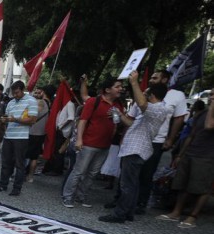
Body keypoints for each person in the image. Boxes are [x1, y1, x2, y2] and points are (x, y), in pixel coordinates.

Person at [99, 73, 170, 224]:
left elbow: (143, 104)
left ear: (151, 96)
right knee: (132, 184)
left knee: (127, 185)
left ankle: (120, 214)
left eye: (145, 93)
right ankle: (128, 212)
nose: (142, 96)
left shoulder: (159, 109)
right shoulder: (150, 110)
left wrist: (134, 82)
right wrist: (118, 114)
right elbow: (130, 123)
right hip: (132, 149)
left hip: (136, 150)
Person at [62, 77, 125, 208]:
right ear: (107, 89)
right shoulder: (93, 101)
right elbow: (83, 121)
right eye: (117, 86)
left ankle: (82, 196)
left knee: (92, 173)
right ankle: (68, 197)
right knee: (79, 171)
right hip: (88, 143)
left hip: (105, 145)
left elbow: (117, 123)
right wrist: (79, 139)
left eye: (121, 87)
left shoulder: (119, 105)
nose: (121, 89)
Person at [133, 70, 189, 213]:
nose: (151, 80)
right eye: (151, 77)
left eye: (155, 78)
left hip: (156, 141)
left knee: (147, 173)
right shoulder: (145, 92)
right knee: (130, 170)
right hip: (137, 138)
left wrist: (170, 138)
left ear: (165, 80)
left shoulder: (177, 95)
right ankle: (121, 199)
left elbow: (179, 118)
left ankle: (140, 203)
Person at [156, 91, 214, 228]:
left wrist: (212, 107)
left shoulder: (209, 113)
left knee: (202, 188)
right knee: (182, 184)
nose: (211, 97)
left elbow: (209, 126)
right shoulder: (202, 113)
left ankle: (192, 216)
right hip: (191, 153)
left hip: (207, 157)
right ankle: (176, 212)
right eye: (211, 94)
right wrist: (180, 154)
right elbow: (191, 135)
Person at [0, 80, 38, 196]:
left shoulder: (31, 101)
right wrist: (4, 119)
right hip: (8, 136)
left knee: (19, 163)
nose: (15, 95)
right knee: (6, 162)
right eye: (13, 93)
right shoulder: (11, 102)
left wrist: (14, 119)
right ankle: (3, 184)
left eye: (17, 92)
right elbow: (7, 117)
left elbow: (32, 120)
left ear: (23, 90)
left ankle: (17, 188)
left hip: (21, 137)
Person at [25, 85, 54, 182]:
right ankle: (30, 176)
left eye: (40, 92)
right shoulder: (50, 103)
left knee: (26, 154)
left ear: (43, 92)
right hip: (42, 133)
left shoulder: (41, 102)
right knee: (34, 156)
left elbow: (34, 116)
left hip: (33, 132)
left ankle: (22, 174)